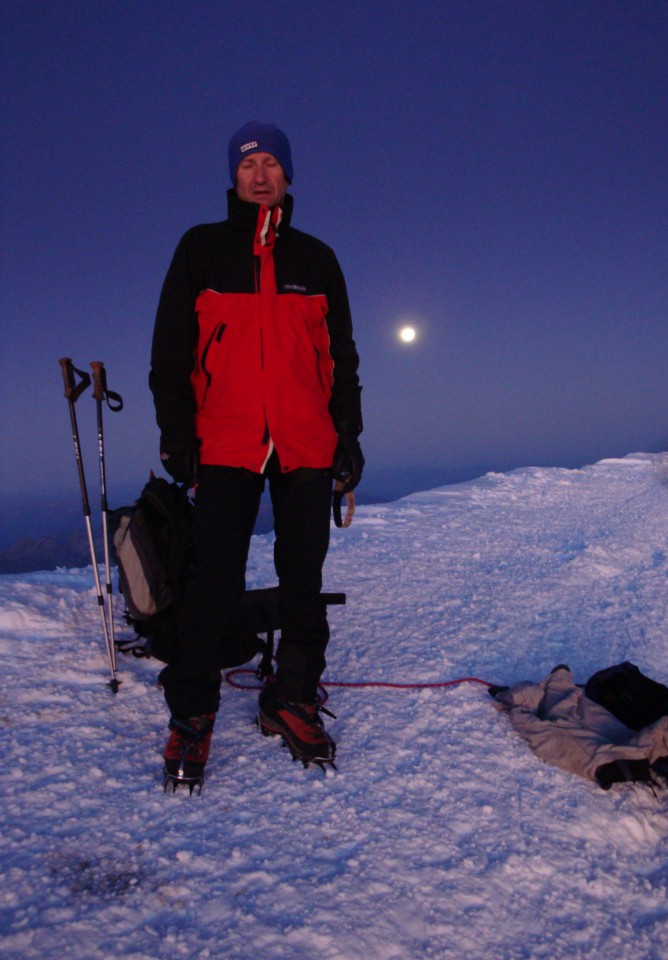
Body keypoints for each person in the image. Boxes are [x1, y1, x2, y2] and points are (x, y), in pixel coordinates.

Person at [149, 121, 363, 785]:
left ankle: (291, 697)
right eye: (249, 164)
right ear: (234, 177)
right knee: (212, 576)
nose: (260, 174)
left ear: (288, 176)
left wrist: (347, 435)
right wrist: (178, 433)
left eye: (272, 163)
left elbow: (341, 357)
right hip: (227, 436)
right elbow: (171, 351)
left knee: (303, 573)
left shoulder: (317, 260)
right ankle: (192, 711)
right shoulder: (202, 249)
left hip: (305, 438)